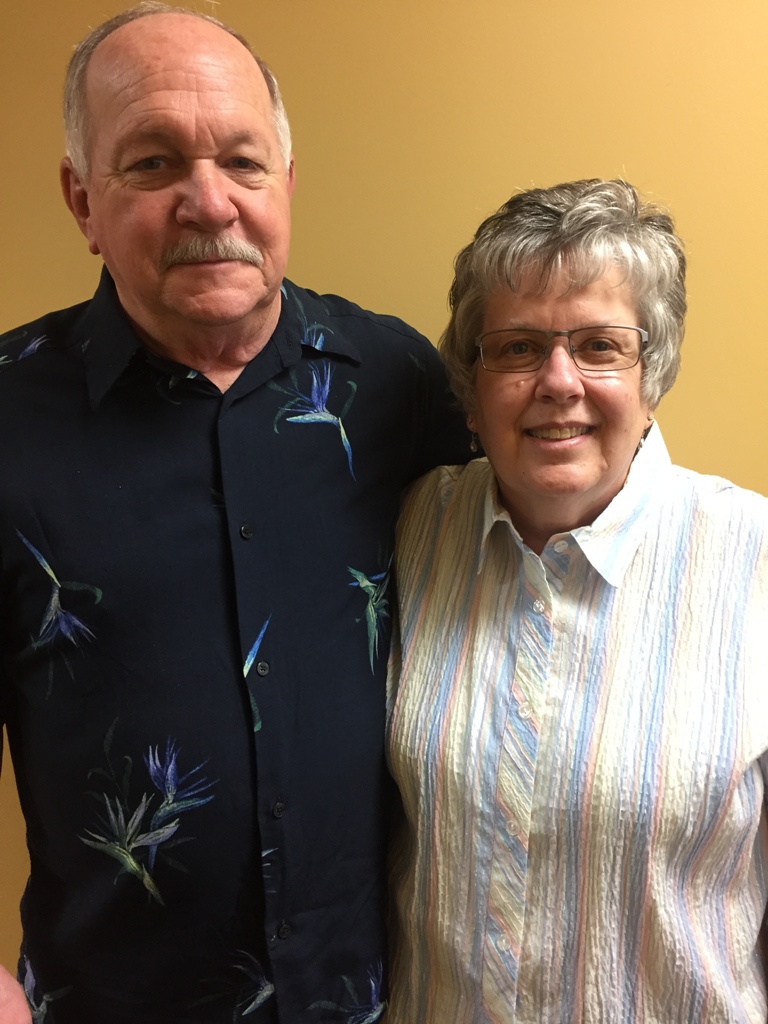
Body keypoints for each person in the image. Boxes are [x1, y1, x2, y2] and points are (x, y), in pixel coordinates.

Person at [0, 4, 471, 1022]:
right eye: (154, 163)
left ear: (285, 183)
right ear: (82, 200)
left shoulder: (395, 382)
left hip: (375, 1001)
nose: (209, 201)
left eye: (243, 163)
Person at [386, 179, 768, 1023]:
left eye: (600, 345)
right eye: (518, 348)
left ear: (652, 375)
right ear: (472, 385)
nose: (559, 381)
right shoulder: (412, 531)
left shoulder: (754, 560)